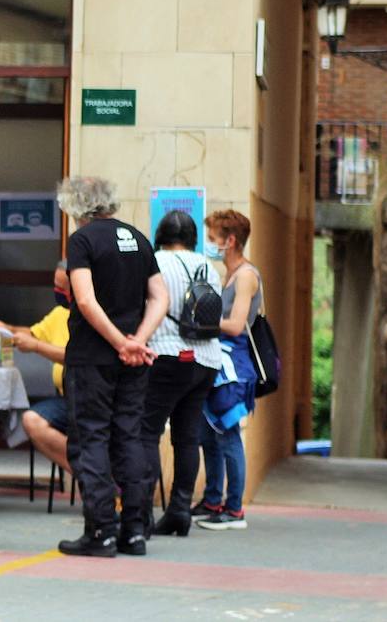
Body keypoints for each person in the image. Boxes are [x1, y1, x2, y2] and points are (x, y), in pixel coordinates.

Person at [55, 175, 169, 558]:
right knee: (130, 437)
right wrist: (138, 340)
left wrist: (120, 342)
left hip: (93, 358)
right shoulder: (138, 238)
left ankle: (101, 530)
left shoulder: (82, 241)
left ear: (76, 207)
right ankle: (135, 531)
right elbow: (160, 297)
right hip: (135, 359)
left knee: (92, 439)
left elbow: (84, 301)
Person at [138, 210, 222, 538]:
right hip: (205, 359)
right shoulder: (207, 267)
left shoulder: (153, 262)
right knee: (188, 436)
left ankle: (141, 512)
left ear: (160, 235)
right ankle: (180, 510)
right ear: (192, 238)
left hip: (166, 354)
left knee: (146, 432)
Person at [195, 209, 263, 532]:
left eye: (213, 239)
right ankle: (212, 499)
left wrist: (199, 321)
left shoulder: (246, 276)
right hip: (219, 362)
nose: (210, 245)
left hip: (234, 366)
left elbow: (236, 325)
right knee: (210, 432)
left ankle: (234, 508)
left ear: (230, 241)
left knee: (229, 434)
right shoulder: (228, 275)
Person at [0, 261, 73, 475]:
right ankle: (93, 475)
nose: (58, 292)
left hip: (92, 399)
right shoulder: (59, 314)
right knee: (31, 420)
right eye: (55, 286)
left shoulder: (91, 315)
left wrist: (36, 347)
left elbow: (78, 357)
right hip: (66, 399)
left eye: (62, 288)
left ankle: (97, 477)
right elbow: (33, 333)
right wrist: (7, 329)